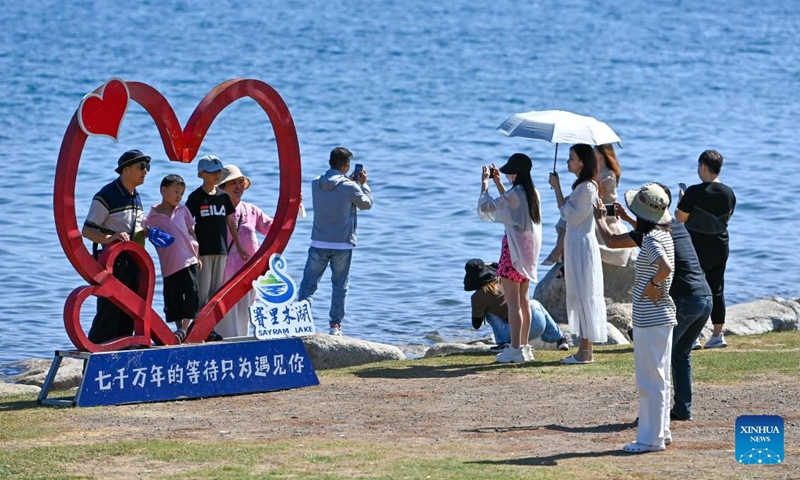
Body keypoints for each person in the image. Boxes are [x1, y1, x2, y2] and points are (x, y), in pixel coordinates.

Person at [596, 183, 713, 424]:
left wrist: (599, 219)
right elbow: (645, 231)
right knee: (680, 354)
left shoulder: (649, 236)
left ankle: (654, 416)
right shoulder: (674, 226)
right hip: (704, 298)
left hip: (683, 301)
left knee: (658, 359)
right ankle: (682, 409)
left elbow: (611, 241)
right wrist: (628, 218)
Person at [619, 183, 676, 453]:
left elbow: (664, 267)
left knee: (648, 381)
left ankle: (649, 440)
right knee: (660, 378)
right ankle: (661, 432)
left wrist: (653, 284)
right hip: (662, 316)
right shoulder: (664, 235)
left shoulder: (653, 239)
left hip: (650, 317)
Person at [298, 147, 373, 336]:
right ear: (347, 166)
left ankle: (300, 322)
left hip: (318, 242)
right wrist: (363, 184)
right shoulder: (350, 187)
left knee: (308, 284)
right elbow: (367, 204)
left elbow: (334, 189)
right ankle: (335, 326)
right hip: (342, 244)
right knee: (339, 286)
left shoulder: (316, 183)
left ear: (330, 162)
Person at [477, 153, 542, 363]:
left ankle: (515, 349)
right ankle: (524, 347)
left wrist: (485, 184)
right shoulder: (532, 193)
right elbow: (510, 204)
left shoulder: (516, 193)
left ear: (516, 174)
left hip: (512, 252)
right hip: (527, 253)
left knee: (513, 304)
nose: (506, 176)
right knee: (524, 302)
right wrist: (497, 183)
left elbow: (489, 208)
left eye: (508, 174)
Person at [81, 149, 151, 343]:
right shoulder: (107, 195)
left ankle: (121, 361)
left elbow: (129, 226)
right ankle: (94, 360)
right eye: (141, 167)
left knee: (129, 315)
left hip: (134, 264)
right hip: (113, 264)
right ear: (126, 170)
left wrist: (142, 232)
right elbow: (87, 230)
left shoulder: (135, 195)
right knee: (108, 314)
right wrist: (110, 238)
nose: (145, 171)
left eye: (147, 167)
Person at [548, 144, 607, 364]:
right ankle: (585, 350)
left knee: (584, 294)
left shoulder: (588, 188)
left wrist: (557, 189)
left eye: (571, 158)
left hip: (582, 244)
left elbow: (570, 216)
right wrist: (559, 190)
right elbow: (568, 214)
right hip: (576, 243)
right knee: (579, 293)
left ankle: (584, 351)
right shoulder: (582, 186)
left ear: (582, 161)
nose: (568, 161)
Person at [676, 150, 736, 349]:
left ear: (703, 166)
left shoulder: (694, 191)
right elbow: (727, 218)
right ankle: (718, 335)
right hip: (720, 245)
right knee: (717, 288)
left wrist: (682, 200)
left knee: (694, 290)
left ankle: (693, 337)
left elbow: (680, 218)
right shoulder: (729, 192)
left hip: (697, 246)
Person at [185, 154, 248, 341]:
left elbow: (231, 222)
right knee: (202, 293)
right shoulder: (195, 197)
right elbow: (188, 225)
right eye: (212, 172)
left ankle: (208, 330)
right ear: (201, 174)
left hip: (221, 251)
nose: (217, 176)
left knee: (215, 292)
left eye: (219, 172)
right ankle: (195, 330)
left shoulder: (223, 197)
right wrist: (193, 250)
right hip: (203, 252)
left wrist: (239, 246)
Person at [216, 165, 274, 338]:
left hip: (248, 275)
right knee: (225, 324)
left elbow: (272, 228)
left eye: (241, 182)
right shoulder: (215, 210)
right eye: (233, 183)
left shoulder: (251, 210)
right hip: (222, 275)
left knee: (244, 322)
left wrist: (292, 207)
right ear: (221, 187)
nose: (238, 186)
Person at [464, 259, 570, 353]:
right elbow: (499, 266)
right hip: (538, 323)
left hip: (514, 333)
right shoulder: (503, 282)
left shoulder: (477, 296)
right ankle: (560, 339)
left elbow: (476, 324)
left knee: (489, 313)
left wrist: (481, 309)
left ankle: (503, 343)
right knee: (533, 303)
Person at [144, 174, 201, 343]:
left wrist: (198, 255)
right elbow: (145, 233)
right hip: (169, 264)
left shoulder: (183, 210)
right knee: (173, 297)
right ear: (163, 190)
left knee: (191, 292)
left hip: (189, 258)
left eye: (182, 193)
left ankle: (184, 327)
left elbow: (192, 232)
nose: (179, 196)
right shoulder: (152, 216)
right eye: (176, 192)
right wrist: (146, 232)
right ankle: (179, 330)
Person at [595, 144, 636, 267]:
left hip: (607, 215)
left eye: (594, 149)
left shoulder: (609, 174)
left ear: (602, 153)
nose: (592, 152)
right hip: (599, 214)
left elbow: (596, 192)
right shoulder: (598, 172)